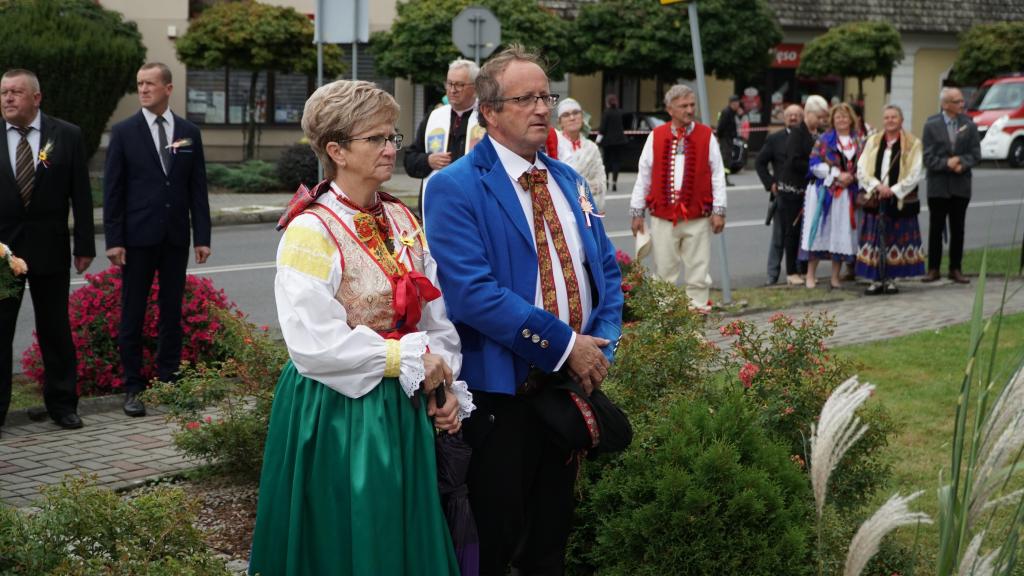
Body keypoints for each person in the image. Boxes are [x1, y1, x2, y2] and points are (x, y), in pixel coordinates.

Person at [249, 79, 471, 576]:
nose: (391, 149)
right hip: (339, 409)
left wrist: (446, 383)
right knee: (351, 537)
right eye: (376, 139)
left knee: (406, 535)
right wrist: (406, 360)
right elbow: (313, 343)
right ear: (336, 151)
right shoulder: (311, 229)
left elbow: (435, 314)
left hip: (407, 403)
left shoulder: (400, 216)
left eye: (392, 137)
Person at [423, 45, 623, 575]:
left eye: (546, 97)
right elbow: (472, 293)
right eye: (526, 99)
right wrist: (566, 346)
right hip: (500, 398)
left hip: (567, 390)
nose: (541, 108)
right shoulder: (453, 186)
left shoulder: (569, 179)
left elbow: (605, 272)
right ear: (489, 112)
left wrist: (600, 350)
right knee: (496, 542)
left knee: (550, 543)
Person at [103, 62, 211, 417]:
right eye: (140, 84)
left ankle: (169, 381)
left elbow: (197, 187)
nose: (144, 89)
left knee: (171, 311)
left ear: (168, 88)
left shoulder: (188, 132)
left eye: (150, 83)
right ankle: (133, 387)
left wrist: (202, 236)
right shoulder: (124, 132)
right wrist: (114, 239)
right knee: (133, 313)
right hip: (136, 238)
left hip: (175, 237)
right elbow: (113, 190)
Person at [0, 68, 94, 434]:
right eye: (4, 92)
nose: (8, 98)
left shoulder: (66, 135)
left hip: (50, 248)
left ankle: (63, 405)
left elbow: (80, 194)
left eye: (16, 92)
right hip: (3, 254)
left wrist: (84, 245)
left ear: (36, 98)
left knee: (55, 330)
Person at [630, 84, 727, 310]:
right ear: (670, 109)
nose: (690, 110)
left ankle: (698, 310)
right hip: (663, 216)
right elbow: (644, 175)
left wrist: (719, 210)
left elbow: (717, 175)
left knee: (698, 268)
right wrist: (637, 212)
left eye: (692, 105)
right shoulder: (656, 136)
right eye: (684, 106)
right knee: (664, 269)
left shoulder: (706, 135)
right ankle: (666, 315)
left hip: (698, 216)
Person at [855, 104, 926, 295]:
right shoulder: (873, 141)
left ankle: (891, 279)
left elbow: (915, 173)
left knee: (895, 239)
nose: (890, 120)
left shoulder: (913, 143)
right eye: (886, 117)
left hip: (899, 199)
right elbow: (861, 169)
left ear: (901, 120)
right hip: (876, 197)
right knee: (875, 240)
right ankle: (875, 280)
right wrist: (876, 186)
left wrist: (893, 190)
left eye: (894, 117)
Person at [403, 58, 483, 207]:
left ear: (475, 87)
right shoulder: (434, 117)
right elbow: (410, 160)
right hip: (438, 202)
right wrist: (428, 160)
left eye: (459, 85)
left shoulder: (487, 117)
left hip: (473, 201)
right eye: (449, 83)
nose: (453, 90)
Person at [921, 87, 980, 284]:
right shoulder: (931, 125)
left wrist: (961, 162)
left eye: (962, 101)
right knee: (936, 228)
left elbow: (976, 154)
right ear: (945, 104)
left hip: (960, 185)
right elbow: (927, 157)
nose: (962, 104)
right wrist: (946, 163)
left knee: (958, 228)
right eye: (957, 101)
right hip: (938, 186)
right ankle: (933, 268)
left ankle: (955, 268)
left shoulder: (969, 124)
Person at [800, 102, 862, 290]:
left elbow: (864, 165)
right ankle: (810, 275)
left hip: (846, 194)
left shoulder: (858, 141)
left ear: (851, 119)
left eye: (845, 116)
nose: (842, 120)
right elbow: (814, 164)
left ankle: (835, 277)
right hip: (825, 192)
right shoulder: (824, 140)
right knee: (820, 231)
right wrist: (836, 175)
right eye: (838, 117)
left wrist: (852, 177)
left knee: (840, 232)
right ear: (832, 121)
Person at [779, 96, 830, 288]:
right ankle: (791, 271)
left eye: (824, 117)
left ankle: (804, 269)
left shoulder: (820, 134)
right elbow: (793, 160)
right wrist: (815, 168)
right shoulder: (797, 133)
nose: (822, 120)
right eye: (819, 116)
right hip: (793, 188)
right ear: (808, 113)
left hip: (811, 189)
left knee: (806, 229)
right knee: (792, 230)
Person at [755, 104, 803, 285]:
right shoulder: (775, 139)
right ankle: (772, 276)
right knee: (779, 237)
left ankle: (799, 271)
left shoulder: (807, 139)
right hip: (782, 196)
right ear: (784, 118)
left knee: (800, 236)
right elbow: (760, 163)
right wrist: (770, 184)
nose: (793, 118)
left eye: (797, 115)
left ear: (802, 118)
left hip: (803, 195)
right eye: (790, 115)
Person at [551, 97, 607, 211]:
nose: (572, 118)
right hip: (562, 208)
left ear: (582, 117)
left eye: (576, 113)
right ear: (560, 122)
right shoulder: (554, 144)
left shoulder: (591, 148)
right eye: (566, 115)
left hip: (588, 208)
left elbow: (600, 182)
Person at [597, 93, 627, 192]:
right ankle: (614, 182)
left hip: (608, 142)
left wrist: (597, 140)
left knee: (607, 162)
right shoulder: (620, 112)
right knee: (616, 162)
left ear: (607, 103)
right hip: (619, 141)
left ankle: (606, 182)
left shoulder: (606, 113)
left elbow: (603, 128)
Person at [717, 94, 743, 185]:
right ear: (732, 103)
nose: (738, 105)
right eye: (736, 103)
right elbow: (721, 126)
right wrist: (719, 137)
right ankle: (723, 180)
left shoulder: (732, 112)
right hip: (725, 139)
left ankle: (725, 179)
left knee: (727, 159)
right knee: (725, 159)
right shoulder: (726, 112)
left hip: (729, 139)